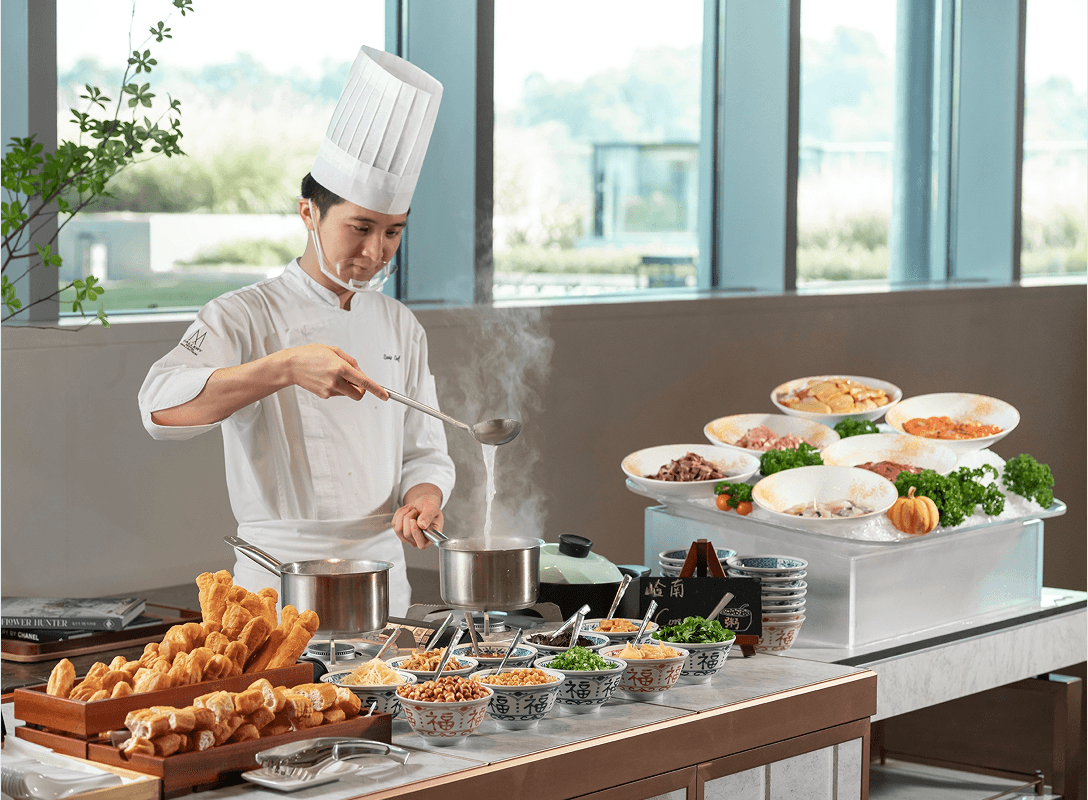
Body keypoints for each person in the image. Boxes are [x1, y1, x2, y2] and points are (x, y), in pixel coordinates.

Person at [138, 47, 453, 616]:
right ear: (308, 212)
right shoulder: (242, 314)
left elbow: (424, 450)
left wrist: (422, 498)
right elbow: (159, 409)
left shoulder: (400, 325)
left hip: (382, 581)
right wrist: (283, 368)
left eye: (392, 233)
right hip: (275, 582)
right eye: (360, 227)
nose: (375, 252)